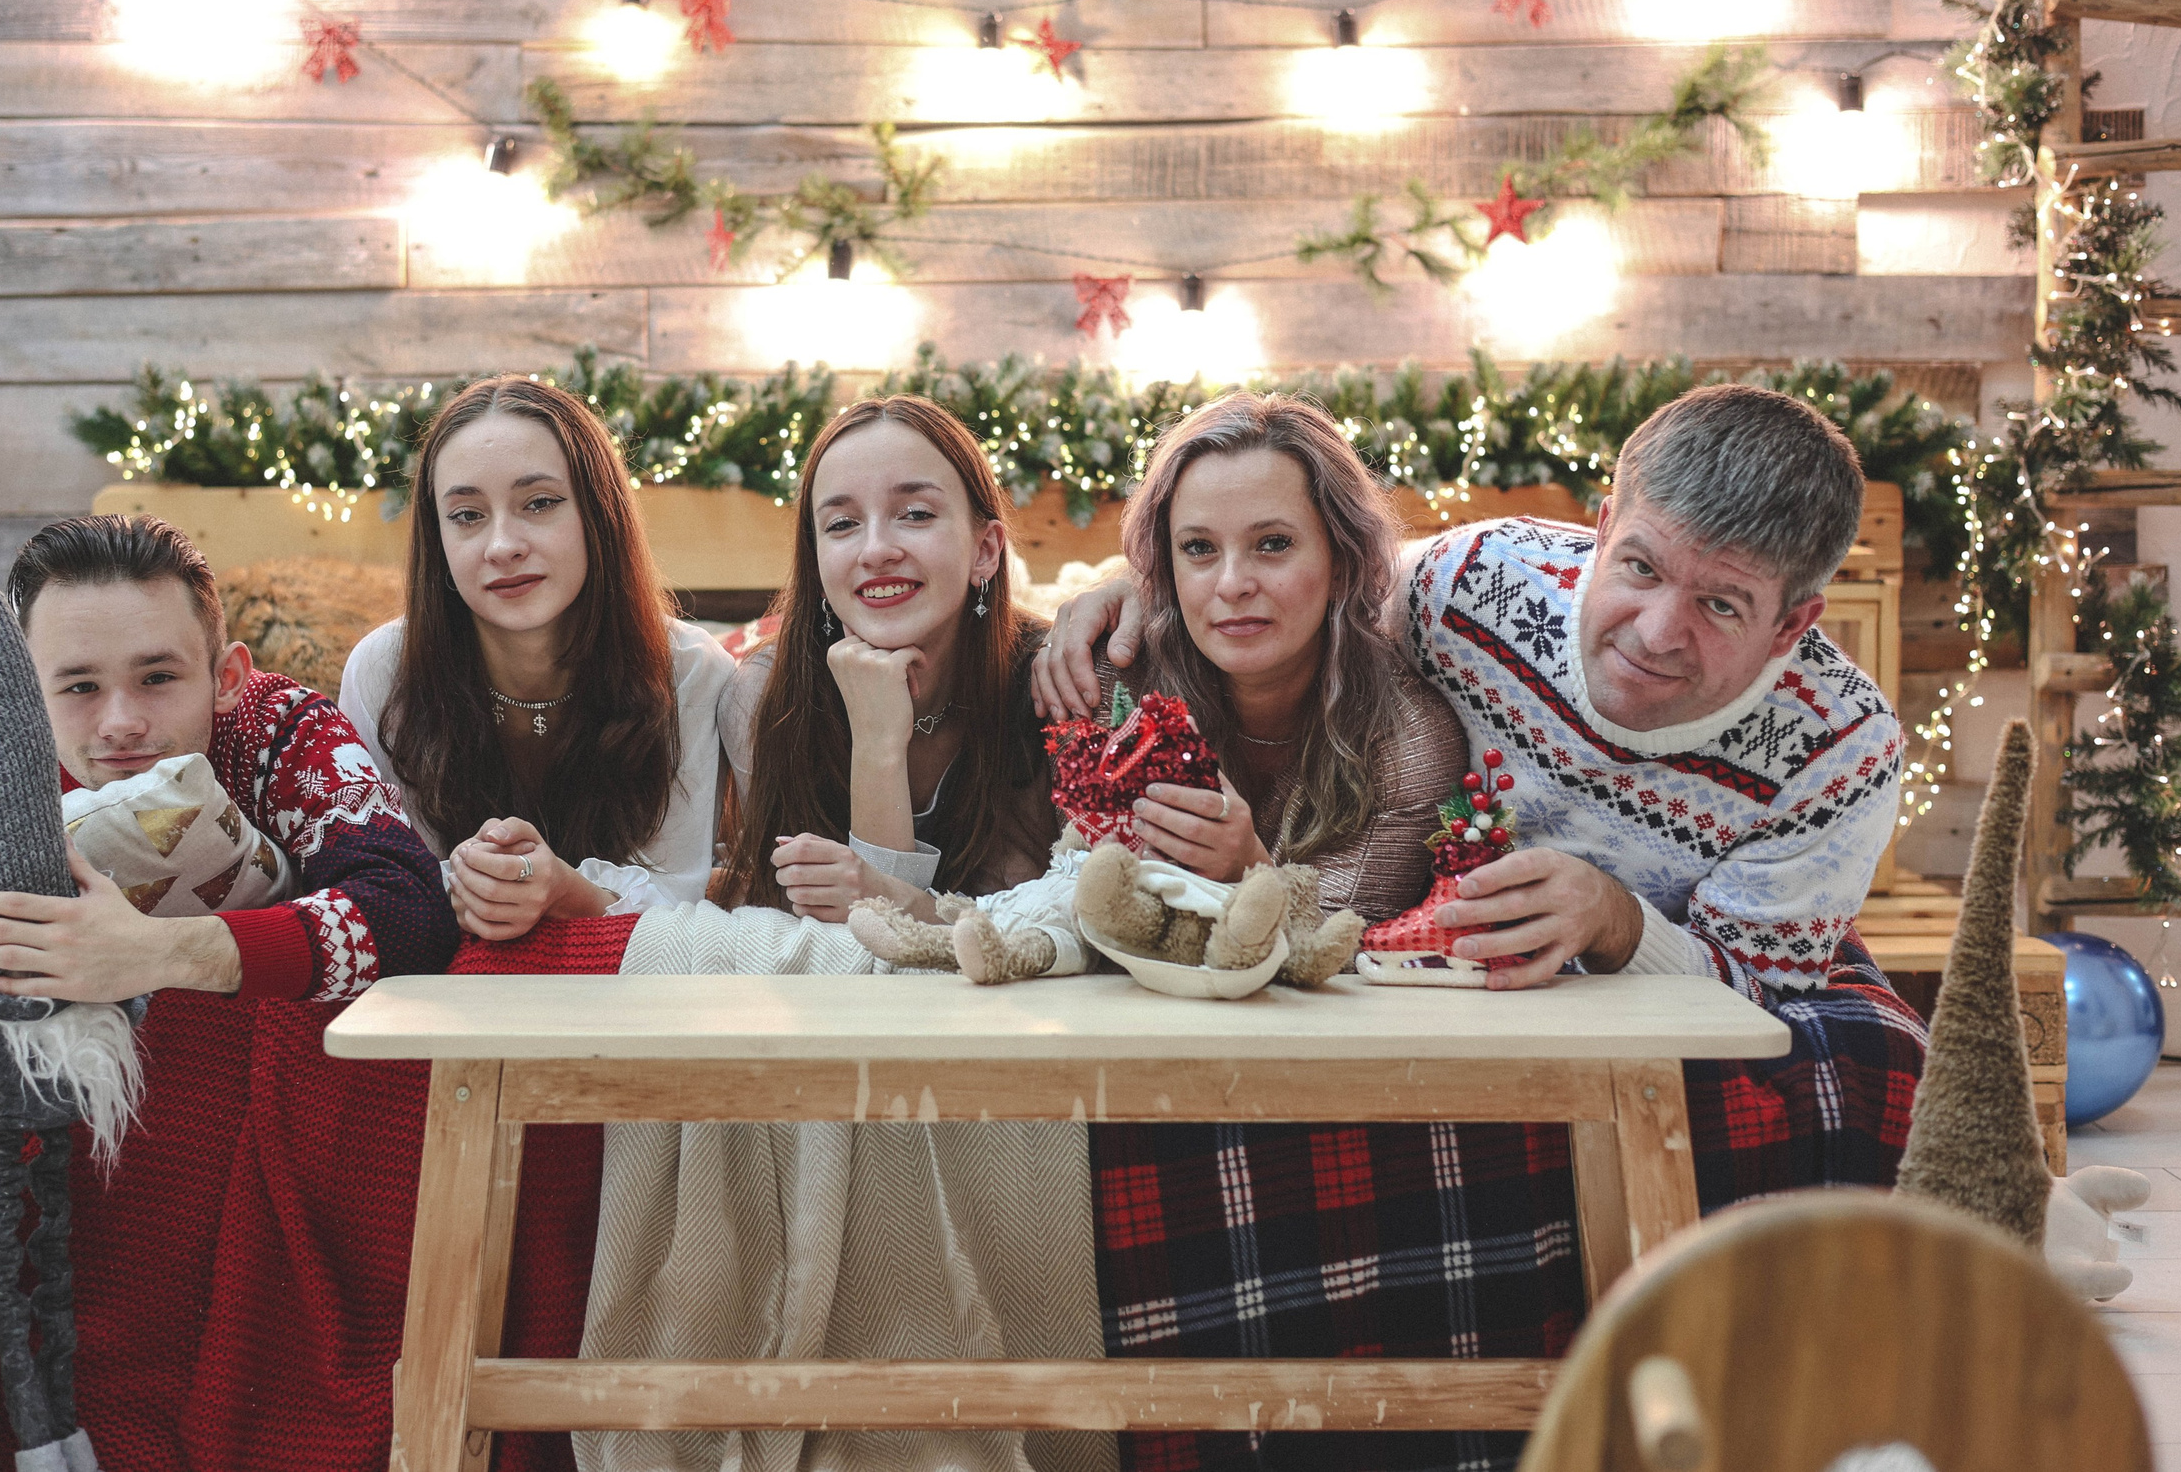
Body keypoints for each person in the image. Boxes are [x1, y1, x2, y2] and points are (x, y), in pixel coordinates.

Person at [1042, 381, 1930, 1206]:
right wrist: (1145, 587)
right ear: (1605, 523)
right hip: (1438, 944)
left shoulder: (1842, 747)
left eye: (1723, 606)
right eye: (1642, 569)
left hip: (1658, 971)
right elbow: (1314, 584)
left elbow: (1761, 990)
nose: (1657, 633)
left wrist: (1619, 921)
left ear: (1793, 622)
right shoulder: (1476, 581)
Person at [0, 513, 457, 1472]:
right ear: (23, 700)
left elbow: (409, 907)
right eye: (77, 687)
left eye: (158, 677)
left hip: (282, 1118)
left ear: (227, 675)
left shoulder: (281, 733)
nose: (120, 719)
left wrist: (164, 954)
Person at [338, 376, 736, 937]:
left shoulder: (692, 670)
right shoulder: (383, 669)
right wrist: (470, 882)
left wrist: (566, 892)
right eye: (467, 516)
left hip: (634, 996)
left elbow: (679, 897)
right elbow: (382, 883)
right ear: (438, 538)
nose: (502, 546)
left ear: (599, 515)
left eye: (540, 503)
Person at [719, 395, 1056, 918]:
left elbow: (1053, 927)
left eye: (915, 514)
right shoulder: (763, 698)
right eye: (842, 524)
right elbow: (833, 951)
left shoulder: (1053, 683)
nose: (875, 550)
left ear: (986, 549)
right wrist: (877, 744)